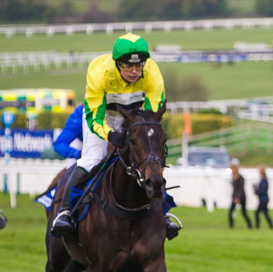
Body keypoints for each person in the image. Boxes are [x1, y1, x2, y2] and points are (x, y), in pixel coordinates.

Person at [50, 33, 181, 240]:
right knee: (93, 158)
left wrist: (141, 136)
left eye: (139, 66)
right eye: (129, 66)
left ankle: (163, 214)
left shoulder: (152, 73)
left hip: (134, 116)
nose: (135, 71)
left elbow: (152, 116)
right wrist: (110, 135)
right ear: (117, 63)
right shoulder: (99, 71)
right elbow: (95, 115)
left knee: (148, 160)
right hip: (102, 116)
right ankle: (65, 212)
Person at [229, 163, 252, 229]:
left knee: (244, 212)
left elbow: (240, 189)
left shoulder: (240, 178)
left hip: (241, 197)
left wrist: (237, 198)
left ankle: (250, 225)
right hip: (235, 196)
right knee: (231, 211)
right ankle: (231, 226)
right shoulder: (233, 177)